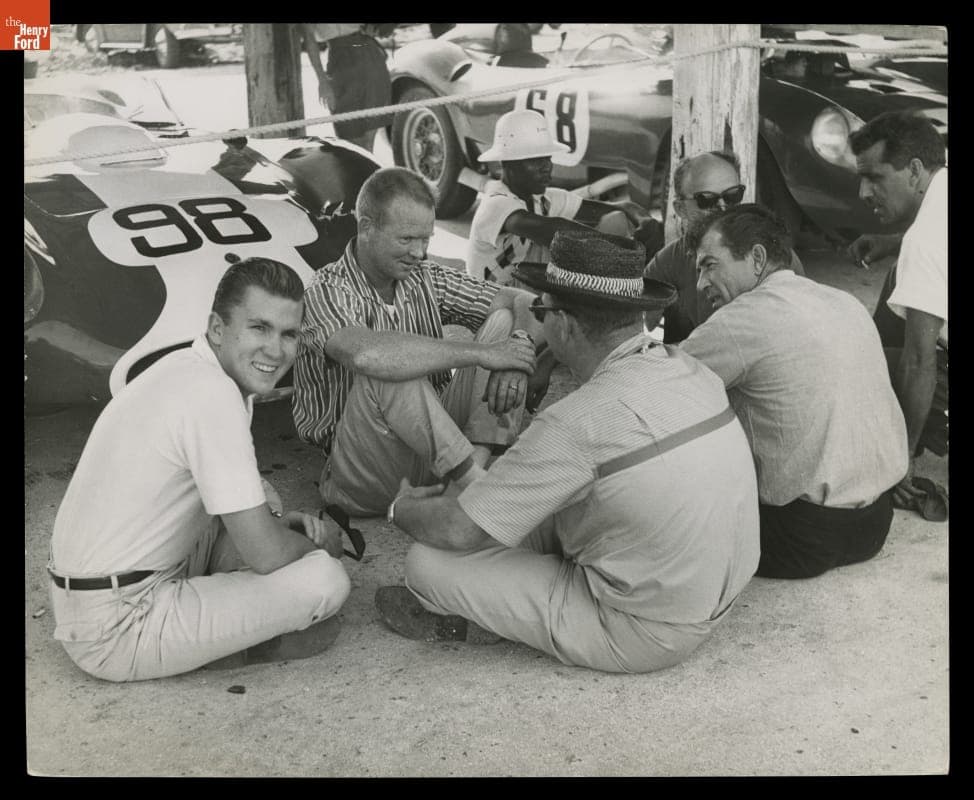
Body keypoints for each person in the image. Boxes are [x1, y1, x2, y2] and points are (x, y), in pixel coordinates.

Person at [374, 229, 761, 674]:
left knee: (427, 564)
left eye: (541, 310)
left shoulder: (575, 422)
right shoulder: (689, 368)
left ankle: (478, 624)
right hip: (717, 593)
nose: (538, 320)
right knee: (522, 505)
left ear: (567, 325)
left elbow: (459, 532)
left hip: (646, 631)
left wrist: (400, 509)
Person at [47, 257, 351, 682]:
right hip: (117, 625)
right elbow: (265, 555)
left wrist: (279, 530)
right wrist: (317, 547)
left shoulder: (191, 369)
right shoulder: (212, 395)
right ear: (216, 328)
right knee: (326, 579)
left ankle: (217, 624)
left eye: (289, 334)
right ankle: (230, 644)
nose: (276, 350)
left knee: (266, 499)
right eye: (259, 328)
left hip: (102, 587)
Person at [292, 167, 542, 518]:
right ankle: (474, 484)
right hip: (366, 470)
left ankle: (472, 473)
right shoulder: (326, 290)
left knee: (504, 321)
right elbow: (368, 355)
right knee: (391, 364)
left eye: (426, 240)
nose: (420, 253)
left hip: (434, 451)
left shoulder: (424, 276)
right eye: (407, 239)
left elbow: (523, 302)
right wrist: (486, 355)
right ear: (366, 228)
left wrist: (518, 349)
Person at [681, 204, 909, 579]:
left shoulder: (742, 319)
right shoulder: (843, 301)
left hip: (801, 538)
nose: (701, 284)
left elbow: (655, 385)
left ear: (757, 258)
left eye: (709, 265)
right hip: (875, 525)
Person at [848, 110, 948, 510]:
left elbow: (919, 361)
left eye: (875, 178)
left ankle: (907, 431)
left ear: (915, 171)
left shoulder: (926, 241)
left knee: (855, 366)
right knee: (897, 278)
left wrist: (900, 458)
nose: (863, 193)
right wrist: (893, 241)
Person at [465, 109, 663, 285]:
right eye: (535, 160)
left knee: (616, 221)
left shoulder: (542, 199)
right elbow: (547, 229)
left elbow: (616, 208)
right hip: (490, 301)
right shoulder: (496, 202)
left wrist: (644, 219)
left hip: (518, 288)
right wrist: (619, 248)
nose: (547, 167)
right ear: (507, 163)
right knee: (572, 247)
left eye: (547, 158)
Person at [646, 150, 805, 343]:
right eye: (707, 200)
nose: (723, 208)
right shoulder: (668, 263)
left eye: (732, 196)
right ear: (681, 209)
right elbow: (638, 325)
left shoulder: (777, 256)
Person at [299, 23, 395, 152]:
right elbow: (310, 41)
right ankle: (362, 167)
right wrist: (322, 81)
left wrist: (376, 27)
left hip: (368, 53)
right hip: (339, 60)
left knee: (369, 135)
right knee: (348, 134)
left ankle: (367, 168)